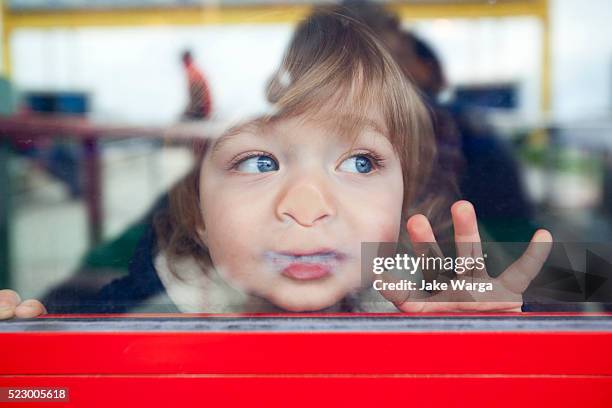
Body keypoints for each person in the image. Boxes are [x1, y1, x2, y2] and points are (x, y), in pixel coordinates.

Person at [0, 8, 552, 318]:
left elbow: (577, 278)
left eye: (360, 163)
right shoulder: (130, 307)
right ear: (197, 214)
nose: (306, 208)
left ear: (404, 204)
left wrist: (476, 335)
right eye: (260, 163)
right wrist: (36, 336)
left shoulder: (423, 286)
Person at [181, 50, 213, 120]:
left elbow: (196, 99)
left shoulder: (193, 73)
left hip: (203, 111)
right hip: (205, 109)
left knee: (183, 118)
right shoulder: (194, 71)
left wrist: (189, 111)